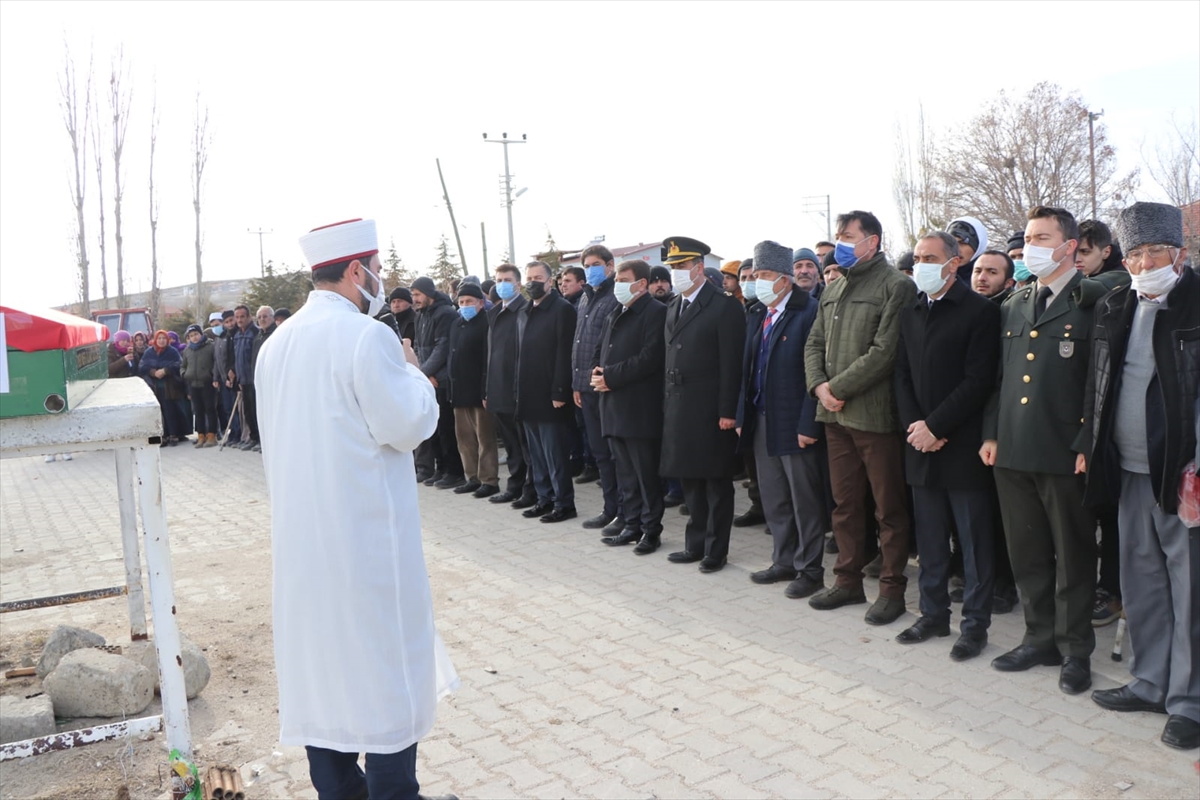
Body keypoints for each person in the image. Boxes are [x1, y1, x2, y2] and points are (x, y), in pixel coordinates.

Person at [255, 218, 457, 800]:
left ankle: (339, 791)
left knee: (324, 674)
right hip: (366, 545)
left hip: (302, 543)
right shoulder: (367, 338)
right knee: (384, 675)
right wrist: (417, 374)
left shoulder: (277, 344)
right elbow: (407, 425)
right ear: (354, 271)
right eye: (375, 270)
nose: (378, 281)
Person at [980, 205, 1125, 695]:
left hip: (1066, 451)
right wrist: (991, 433)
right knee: (1028, 554)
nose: (1033, 245)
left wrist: (1087, 440)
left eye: (1043, 237)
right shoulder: (1014, 303)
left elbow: (1099, 380)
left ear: (1068, 247)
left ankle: (1075, 649)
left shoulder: (1093, 301)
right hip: (1015, 448)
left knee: (1074, 555)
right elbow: (1000, 379)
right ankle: (1038, 638)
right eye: (1028, 236)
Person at [1082, 201, 1199, 751]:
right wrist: (1089, 445)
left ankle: (1190, 701)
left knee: (1191, 593)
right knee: (1143, 584)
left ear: (1180, 254)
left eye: (1156, 251)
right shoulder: (1115, 305)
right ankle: (1150, 682)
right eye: (1135, 253)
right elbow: (1099, 385)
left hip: (1182, 478)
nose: (1145, 261)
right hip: (1128, 470)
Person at [804, 210, 916, 625]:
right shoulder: (833, 289)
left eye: (848, 236)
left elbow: (885, 351)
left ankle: (891, 589)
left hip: (874, 418)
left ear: (872, 241)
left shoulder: (896, 286)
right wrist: (819, 387)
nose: (841, 244)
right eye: (838, 236)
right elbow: (814, 342)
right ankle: (847, 581)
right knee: (845, 505)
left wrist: (838, 389)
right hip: (834, 417)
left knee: (888, 509)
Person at [894, 232, 1000, 661]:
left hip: (960, 445)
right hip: (919, 444)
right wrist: (915, 427)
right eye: (917, 257)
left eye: (930, 257)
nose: (921, 264)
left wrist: (936, 426)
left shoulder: (979, 312)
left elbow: (979, 380)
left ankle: (975, 625)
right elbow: (900, 376)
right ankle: (933, 614)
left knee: (974, 543)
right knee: (931, 538)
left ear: (953, 263)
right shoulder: (911, 310)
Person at [738, 240, 827, 598]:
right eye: (756, 275)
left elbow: (817, 373)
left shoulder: (809, 312)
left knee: (803, 498)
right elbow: (746, 368)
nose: (758, 281)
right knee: (774, 494)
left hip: (794, 421)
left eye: (765, 275)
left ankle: (811, 569)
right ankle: (784, 560)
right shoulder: (759, 313)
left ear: (785, 279)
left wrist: (809, 424)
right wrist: (741, 413)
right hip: (761, 418)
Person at [660, 236, 747, 572]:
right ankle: (694, 544)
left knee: (715, 483)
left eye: (681, 266)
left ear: (698, 267)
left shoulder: (724, 306)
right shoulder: (673, 305)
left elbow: (732, 364)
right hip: (680, 407)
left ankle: (715, 549)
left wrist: (728, 411)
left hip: (710, 409)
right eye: (673, 267)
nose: (676, 273)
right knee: (690, 481)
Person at [591, 259, 668, 553]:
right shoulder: (616, 311)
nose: (618, 285)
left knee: (645, 473)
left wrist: (611, 376)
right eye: (618, 279)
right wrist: (597, 372)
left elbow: (650, 358)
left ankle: (651, 530)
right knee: (625, 473)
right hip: (612, 404)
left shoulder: (656, 312)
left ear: (642, 284)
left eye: (624, 280)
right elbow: (602, 349)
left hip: (639, 408)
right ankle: (631, 524)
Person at [1074, 218, 1128, 626]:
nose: (1076, 261)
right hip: (1083, 415)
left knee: (1111, 517)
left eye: (1084, 253)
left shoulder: (1120, 282)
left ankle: (1112, 591)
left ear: (1106, 251)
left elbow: (1087, 290)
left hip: (1112, 422)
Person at [516, 260, 578, 523]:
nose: (533, 281)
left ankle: (563, 503)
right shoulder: (526, 310)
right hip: (528, 394)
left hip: (551, 394)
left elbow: (565, 353)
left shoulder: (562, 309)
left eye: (538, 277)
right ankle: (544, 499)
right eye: (529, 277)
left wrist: (560, 391)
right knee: (537, 455)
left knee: (555, 454)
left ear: (549, 281)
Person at [569, 245, 624, 533]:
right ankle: (610, 508)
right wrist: (577, 385)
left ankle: (625, 512)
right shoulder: (585, 299)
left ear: (610, 265)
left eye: (595, 264)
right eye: (587, 264)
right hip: (586, 389)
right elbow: (579, 344)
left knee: (616, 455)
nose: (591, 269)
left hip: (608, 388)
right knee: (600, 454)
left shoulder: (615, 296)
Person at [484, 264, 537, 508]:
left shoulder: (525, 310)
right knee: (512, 445)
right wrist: (487, 389)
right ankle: (514, 487)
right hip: (498, 389)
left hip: (518, 389)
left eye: (507, 279)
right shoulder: (494, 312)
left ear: (518, 283)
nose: (502, 284)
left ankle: (532, 489)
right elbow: (491, 354)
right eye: (498, 280)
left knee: (526, 445)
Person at [411, 276, 464, 489]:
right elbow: (418, 346)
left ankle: (454, 471)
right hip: (428, 379)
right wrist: (422, 374)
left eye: (417, 294)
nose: (414, 299)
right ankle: (440, 469)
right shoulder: (420, 315)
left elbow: (442, 348)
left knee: (446, 429)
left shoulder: (445, 314)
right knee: (433, 430)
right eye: (413, 295)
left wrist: (425, 373)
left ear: (428, 293)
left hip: (441, 380)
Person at [447, 283, 499, 499]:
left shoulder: (486, 323)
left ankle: (489, 480)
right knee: (465, 439)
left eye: (469, 302)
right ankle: (472, 477)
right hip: (459, 391)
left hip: (479, 392)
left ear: (480, 303)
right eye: (461, 302)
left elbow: (488, 360)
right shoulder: (456, 324)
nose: (465, 305)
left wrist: (486, 391)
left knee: (485, 438)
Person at [140, 329, 188, 446]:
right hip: (154, 386)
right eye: (159, 338)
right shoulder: (149, 352)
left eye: (164, 338)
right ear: (155, 340)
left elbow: (179, 364)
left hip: (169, 386)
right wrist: (153, 372)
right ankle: (163, 435)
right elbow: (142, 366)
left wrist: (166, 370)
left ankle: (173, 434)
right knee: (158, 411)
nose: (161, 341)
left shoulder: (172, 352)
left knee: (170, 410)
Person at [181, 324, 220, 448]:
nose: (194, 337)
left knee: (210, 409)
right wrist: (184, 374)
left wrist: (213, 375)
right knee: (198, 411)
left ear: (201, 334)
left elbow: (216, 362)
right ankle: (201, 435)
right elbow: (183, 365)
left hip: (207, 383)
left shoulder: (210, 346)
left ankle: (212, 435)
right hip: (193, 384)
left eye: (196, 334)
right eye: (191, 336)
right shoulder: (187, 350)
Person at [228, 305, 261, 451]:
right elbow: (237, 357)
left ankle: (261, 439)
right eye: (237, 317)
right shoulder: (237, 334)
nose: (239, 320)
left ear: (249, 317)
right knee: (248, 412)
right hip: (243, 380)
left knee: (257, 411)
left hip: (254, 379)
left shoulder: (255, 333)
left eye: (242, 317)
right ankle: (253, 438)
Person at [212, 310, 239, 444]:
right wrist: (215, 378)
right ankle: (232, 432)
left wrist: (230, 376)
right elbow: (217, 361)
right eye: (213, 325)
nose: (215, 327)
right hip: (222, 379)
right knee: (227, 408)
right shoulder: (217, 340)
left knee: (235, 408)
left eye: (217, 324)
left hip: (232, 379)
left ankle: (238, 433)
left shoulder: (229, 337)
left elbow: (231, 358)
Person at [946, 216, 989, 283]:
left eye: (963, 243)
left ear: (977, 247)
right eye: (952, 243)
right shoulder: (935, 281)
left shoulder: (985, 283)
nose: (956, 249)